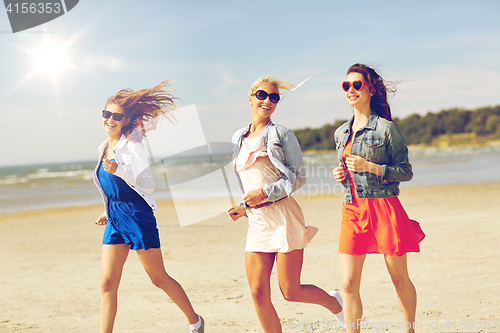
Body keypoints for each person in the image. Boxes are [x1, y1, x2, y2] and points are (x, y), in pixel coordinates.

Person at [226, 76, 345, 333]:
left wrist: (265, 194)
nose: (267, 100)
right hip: (257, 222)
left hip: (282, 218)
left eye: (274, 97)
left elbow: (299, 177)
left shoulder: (281, 134)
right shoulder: (238, 137)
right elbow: (247, 180)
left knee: (290, 291)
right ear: (250, 97)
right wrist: (243, 206)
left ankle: (335, 304)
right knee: (258, 292)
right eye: (262, 95)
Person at [93, 81, 204, 333]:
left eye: (116, 116)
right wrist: (107, 210)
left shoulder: (133, 146)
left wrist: (119, 169)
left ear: (125, 121)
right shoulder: (103, 148)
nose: (110, 119)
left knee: (158, 278)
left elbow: (147, 183)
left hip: (137, 216)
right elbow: (111, 187)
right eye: (106, 113)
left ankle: (195, 321)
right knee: (107, 282)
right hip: (115, 217)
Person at [332, 64, 425, 333]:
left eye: (357, 84)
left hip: (384, 208)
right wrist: (341, 173)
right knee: (348, 283)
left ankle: (409, 329)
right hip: (352, 209)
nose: (350, 89)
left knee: (398, 278)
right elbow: (349, 168)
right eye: (346, 85)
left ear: (370, 89)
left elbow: (405, 171)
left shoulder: (386, 129)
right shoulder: (341, 133)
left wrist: (370, 167)